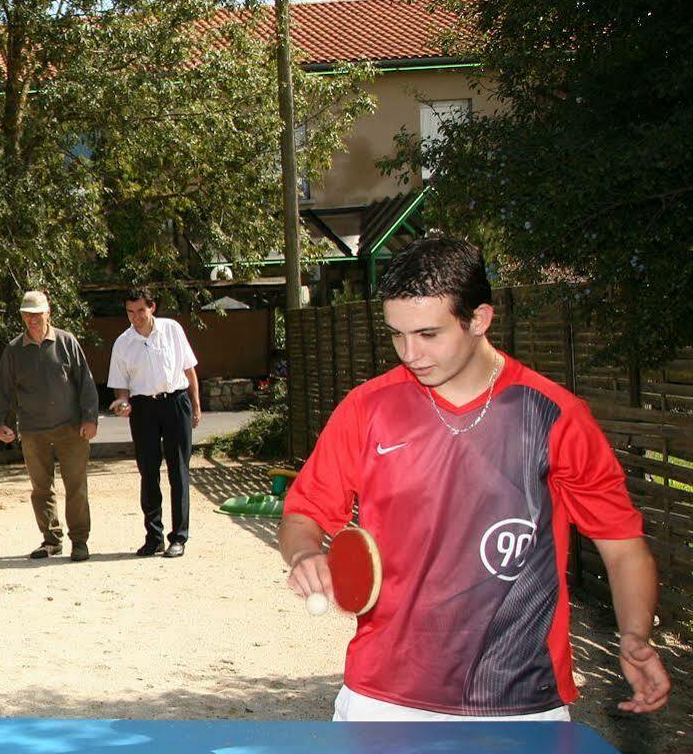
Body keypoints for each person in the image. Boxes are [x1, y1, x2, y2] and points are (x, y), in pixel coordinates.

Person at [281, 236, 670, 721]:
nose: (409, 352)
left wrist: (635, 635)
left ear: (480, 319)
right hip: (382, 696)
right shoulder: (367, 409)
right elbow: (304, 513)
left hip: (521, 700)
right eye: (396, 334)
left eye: (428, 334)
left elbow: (622, 544)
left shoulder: (554, 415)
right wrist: (303, 554)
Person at [0, 290, 100, 560]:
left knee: (76, 486)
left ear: (48, 312)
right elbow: (3, 390)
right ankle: (51, 540)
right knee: (41, 489)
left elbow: (86, 382)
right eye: (27, 315)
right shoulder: (14, 350)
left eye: (37, 314)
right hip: (32, 431)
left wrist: (90, 418)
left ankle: (79, 541)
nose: (33, 320)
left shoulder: (66, 342)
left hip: (70, 429)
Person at [108, 287, 201, 557]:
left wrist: (195, 404)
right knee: (148, 471)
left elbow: (188, 368)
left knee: (178, 469)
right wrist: (123, 403)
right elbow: (121, 386)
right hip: (143, 408)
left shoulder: (172, 329)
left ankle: (179, 537)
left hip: (175, 401)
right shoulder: (122, 343)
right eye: (130, 312)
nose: (135, 317)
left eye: (140, 310)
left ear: (152, 308)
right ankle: (154, 536)